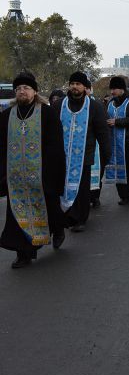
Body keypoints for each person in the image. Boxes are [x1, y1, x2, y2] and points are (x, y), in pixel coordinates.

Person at [0, 72, 66, 268]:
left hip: (43, 174)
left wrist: (53, 173)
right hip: (16, 179)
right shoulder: (6, 116)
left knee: (50, 209)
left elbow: (55, 146)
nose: (22, 91)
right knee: (16, 214)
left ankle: (58, 228)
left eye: (26, 88)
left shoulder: (47, 113)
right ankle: (23, 253)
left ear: (35, 91)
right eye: (18, 89)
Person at [54, 71, 111, 232]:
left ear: (85, 87)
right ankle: (66, 215)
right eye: (72, 84)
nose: (74, 87)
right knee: (63, 186)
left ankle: (80, 219)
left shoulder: (94, 106)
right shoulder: (59, 105)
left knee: (82, 189)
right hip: (62, 156)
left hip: (84, 156)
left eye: (78, 84)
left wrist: (106, 155)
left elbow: (102, 132)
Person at [105, 76, 129, 205]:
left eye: (115, 89)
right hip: (115, 143)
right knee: (119, 170)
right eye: (111, 89)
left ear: (122, 89)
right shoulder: (110, 104)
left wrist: (118, 122)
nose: (112, 92)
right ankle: (124, 196)